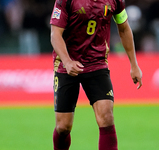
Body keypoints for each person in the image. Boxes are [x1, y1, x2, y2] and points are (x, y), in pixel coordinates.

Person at [50, 0, 142, 149]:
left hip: (97, 64)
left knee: (106, 117)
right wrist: (67, 62)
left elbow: (124, 29)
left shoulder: (116, 1)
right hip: (66, 65)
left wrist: (134, 65)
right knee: (63, 127)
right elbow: (55, 34)